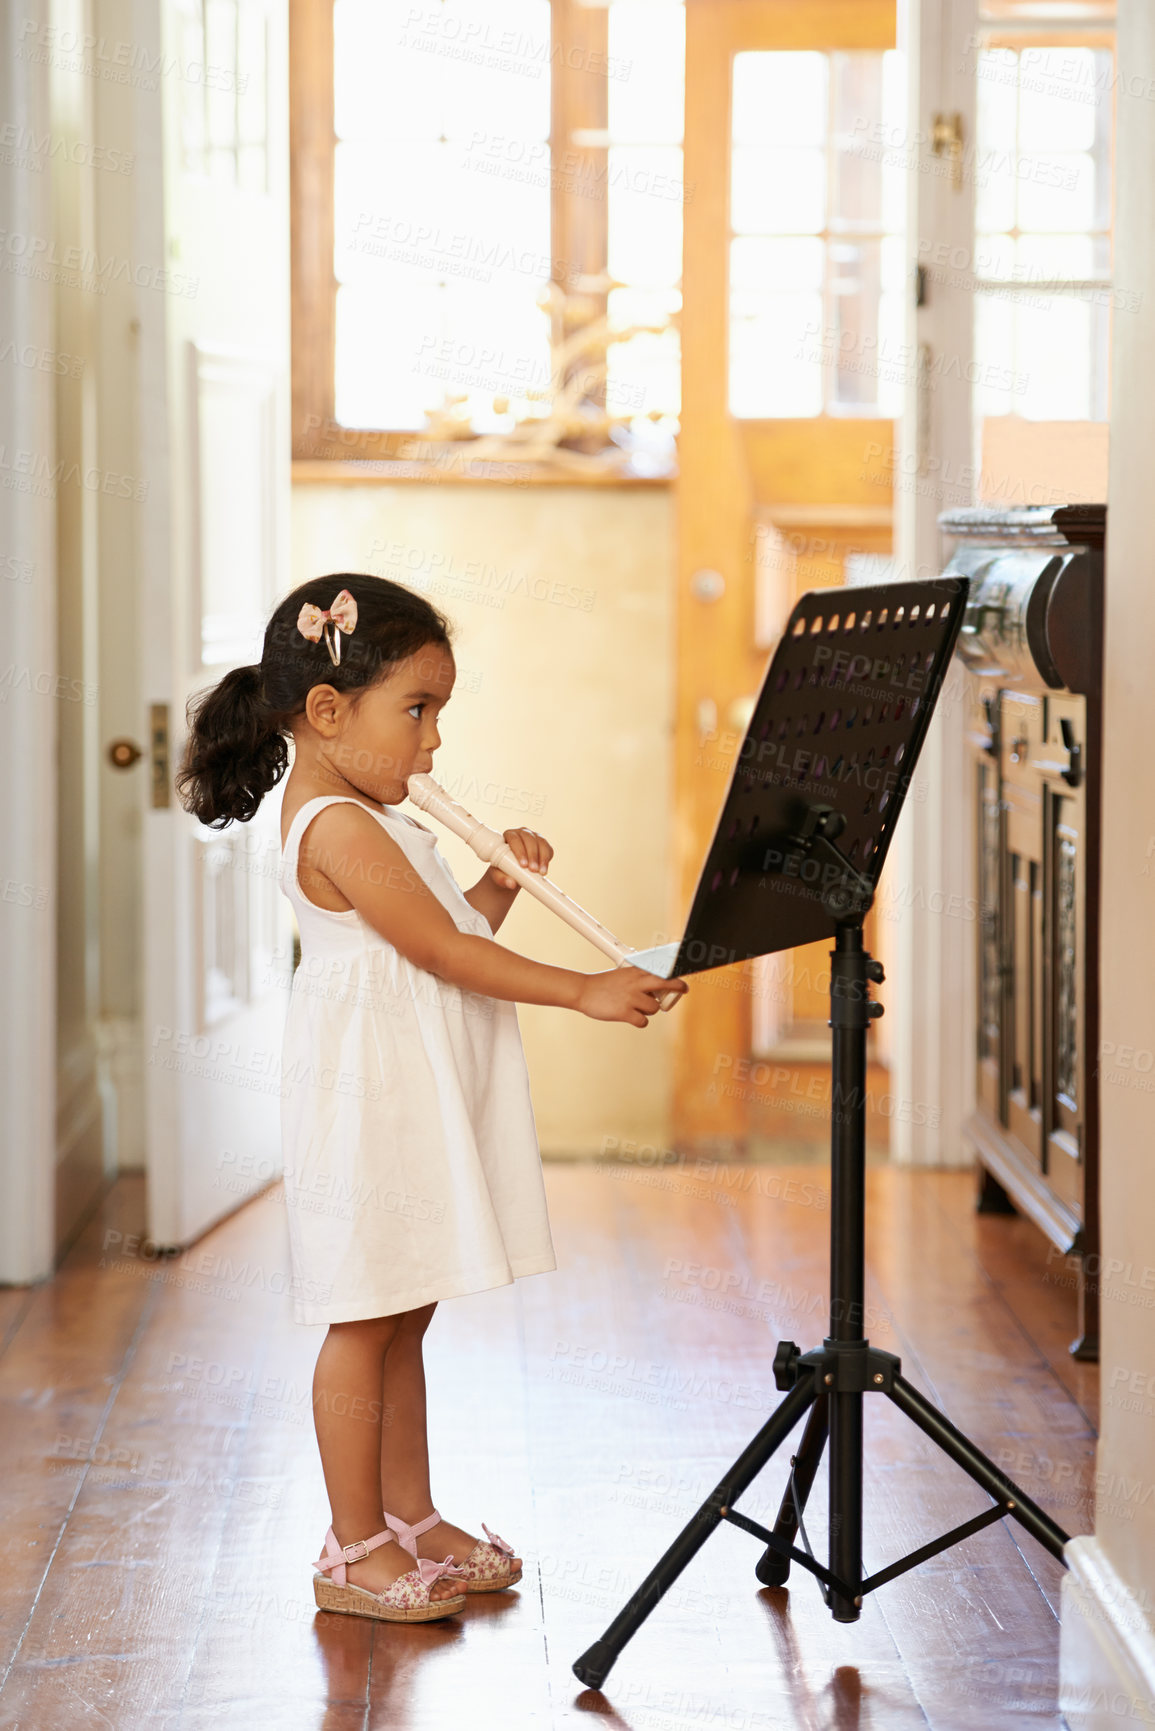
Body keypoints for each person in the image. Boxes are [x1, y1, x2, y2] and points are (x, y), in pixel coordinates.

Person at [175, 572, 688, 1625]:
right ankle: (351, 1545)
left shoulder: (379, 816)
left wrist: (500, 881)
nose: (435, 741)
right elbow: (441, 952)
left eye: (439, 712)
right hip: (368, 1101)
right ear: (327, 713)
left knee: (406, 1307)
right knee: (363, 1315)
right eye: (419, 710)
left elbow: (448, 935)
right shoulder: (336, 828)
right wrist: (584, 989)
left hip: (409, 1087)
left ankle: (409, 1516)